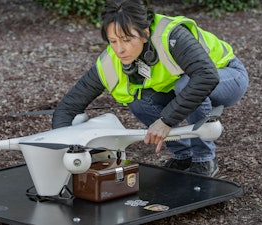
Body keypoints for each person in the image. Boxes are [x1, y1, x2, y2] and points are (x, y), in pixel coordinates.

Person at [52, 0, 249, 177]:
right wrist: (65, 149)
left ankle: (204, 158)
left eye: (127, 40)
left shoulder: (171, 35)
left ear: (145, 34)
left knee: (186, 83)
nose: (119, 49)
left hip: (227, 76)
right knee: (139, 101)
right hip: (184, 87)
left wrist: (166, 121)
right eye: (113, 41)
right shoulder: (109, 62)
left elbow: (206, 76)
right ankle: (184, 154)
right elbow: (68, 107)